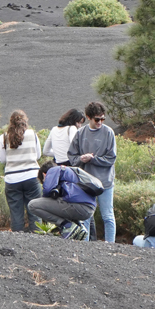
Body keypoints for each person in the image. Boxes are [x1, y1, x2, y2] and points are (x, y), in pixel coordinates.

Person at [68, 101, 117, 243]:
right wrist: (81, 159)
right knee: (86, 216)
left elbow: (111, 159)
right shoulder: (80, 133)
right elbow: (72, 157)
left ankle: (110, 245)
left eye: (102, 119)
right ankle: (86, 245)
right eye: (97, 119)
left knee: (107, 216)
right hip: (86, 182)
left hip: (105, 182)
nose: (100, 122)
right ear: (89, 117)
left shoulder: (109, 133)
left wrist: (93, 159)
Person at [0, 110, 42, 232]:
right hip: (32, 177)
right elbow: (38, 155)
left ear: (10, 122)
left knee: (16, 214)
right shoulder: (32, 134)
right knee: (35, 212)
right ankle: (38, 239)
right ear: (25, 121)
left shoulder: (4, 137)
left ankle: (18, 243)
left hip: (12, 180)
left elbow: (2, 159)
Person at [28, 161, 96, 240]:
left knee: (33, 205)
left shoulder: (53, 171)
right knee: (61, 201)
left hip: (78, 207)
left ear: (44, 174)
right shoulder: (68, 171)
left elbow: (47, 192)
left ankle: (66, 225)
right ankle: (79, 227)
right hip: (88, 210)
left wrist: (46, 183)